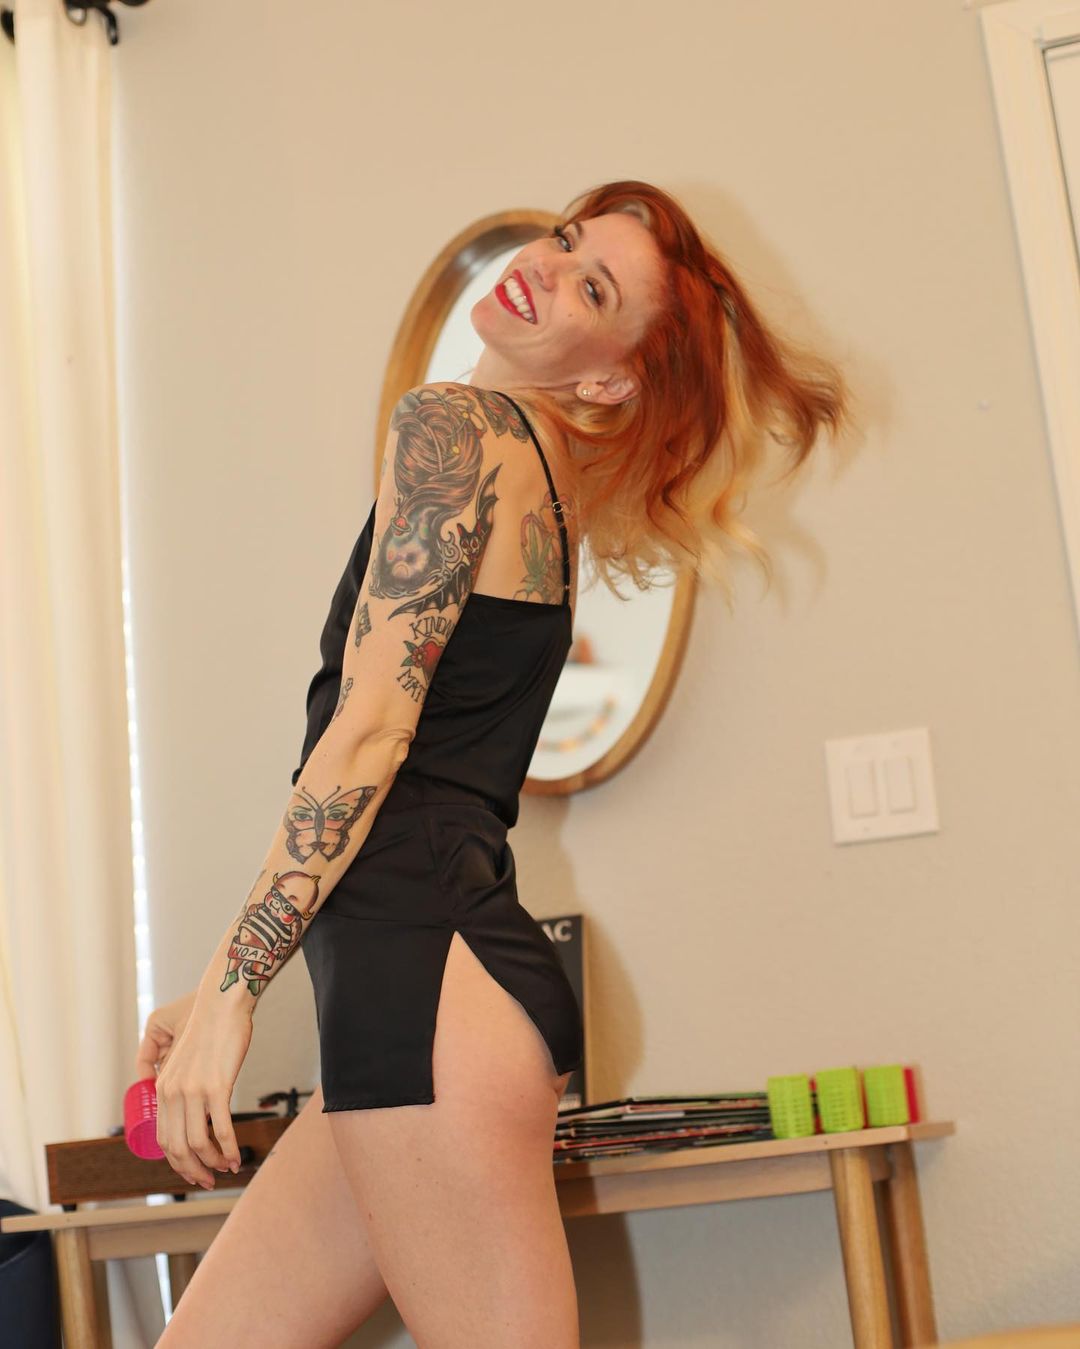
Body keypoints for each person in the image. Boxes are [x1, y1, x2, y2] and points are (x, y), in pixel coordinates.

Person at [136, 179, 851, 1348]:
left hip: (426, 997)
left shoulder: (456, 430)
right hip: (420, 987)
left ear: (608, 378)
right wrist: (217, 979)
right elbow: (403, 787)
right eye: (566, 241)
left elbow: (371, 735)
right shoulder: (536, 473)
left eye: (593, 288)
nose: (546, 268)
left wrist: (232, 993)